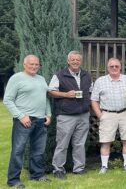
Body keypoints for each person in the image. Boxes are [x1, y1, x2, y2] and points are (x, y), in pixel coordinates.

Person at [4, 55, 51, 188]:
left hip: (41, 120)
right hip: (24, 121)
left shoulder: (41, 79)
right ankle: (13, 180)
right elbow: (8, 100)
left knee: (38, 150)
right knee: (18, 150)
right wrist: (20, 116)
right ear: (24, 65)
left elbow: (45, 98)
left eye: (37, 64)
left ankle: (37, 175)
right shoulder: (16, 78)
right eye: (31, 64)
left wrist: (48, 114)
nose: (34, 66)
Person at [48, 51, 92, 179]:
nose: (75, 62)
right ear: (68, 61)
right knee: (62, 144)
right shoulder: (59, 75)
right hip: (66, 115)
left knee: (79, 143)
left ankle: (78, 168)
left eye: (78, 60)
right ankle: (58, 169)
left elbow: (90, 91)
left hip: (83, 114)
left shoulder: (86, 75)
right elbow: (50, 91)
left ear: (81, 61)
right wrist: (66, 94)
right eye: (73, 60)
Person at [91, 58, 126, 174]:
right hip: (107, 114)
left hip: (125, 113)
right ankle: (104, 166)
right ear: (108, 68)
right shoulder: (100, 81)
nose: (114, 68)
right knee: (105, 141)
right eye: (111, 66)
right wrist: (100, 115)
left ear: (120, 67)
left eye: (116, 66)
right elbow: (94, 100)